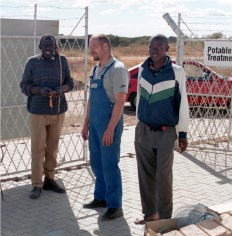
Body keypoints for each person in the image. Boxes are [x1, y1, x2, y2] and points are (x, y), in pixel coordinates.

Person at [134, 34, 189, 224]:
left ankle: (164, 219)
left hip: (166, 132)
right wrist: (138, 124)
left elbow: (183, 105)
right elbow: (140, 99)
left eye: (159, 46)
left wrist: (183, 133)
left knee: (164, 176)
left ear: (167, 49)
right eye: (151, 46)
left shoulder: (177, 72)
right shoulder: (143, 69)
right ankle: (149, 215)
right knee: (145, 175)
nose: (154, 49)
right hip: (143, 131)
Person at [20, 34, 74, 199]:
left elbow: (70, 83)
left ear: (56, 46)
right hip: (37, 111)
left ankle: (49, 179)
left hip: (58, 111)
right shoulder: (32, 62)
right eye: (45, 46)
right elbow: (24, 85)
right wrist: (38, 90)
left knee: (52, 148)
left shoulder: (62, 61)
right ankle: (36, 184)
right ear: (40, 47)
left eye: (51, 45)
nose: (48, 49)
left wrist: (61, 89)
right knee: (38, 149)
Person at [82, 34, 129, 221]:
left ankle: (115, 206)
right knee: (96, 163)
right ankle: (100, 198)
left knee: (109, 165)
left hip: (109, 124)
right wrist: (85, 123)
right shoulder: (96, 69)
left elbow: (120, 102)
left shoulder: (117, 69)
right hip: (94, 124)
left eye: (94, 47)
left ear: (105, 47)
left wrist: (110, 130)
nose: (91, 50)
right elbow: (91, 100)